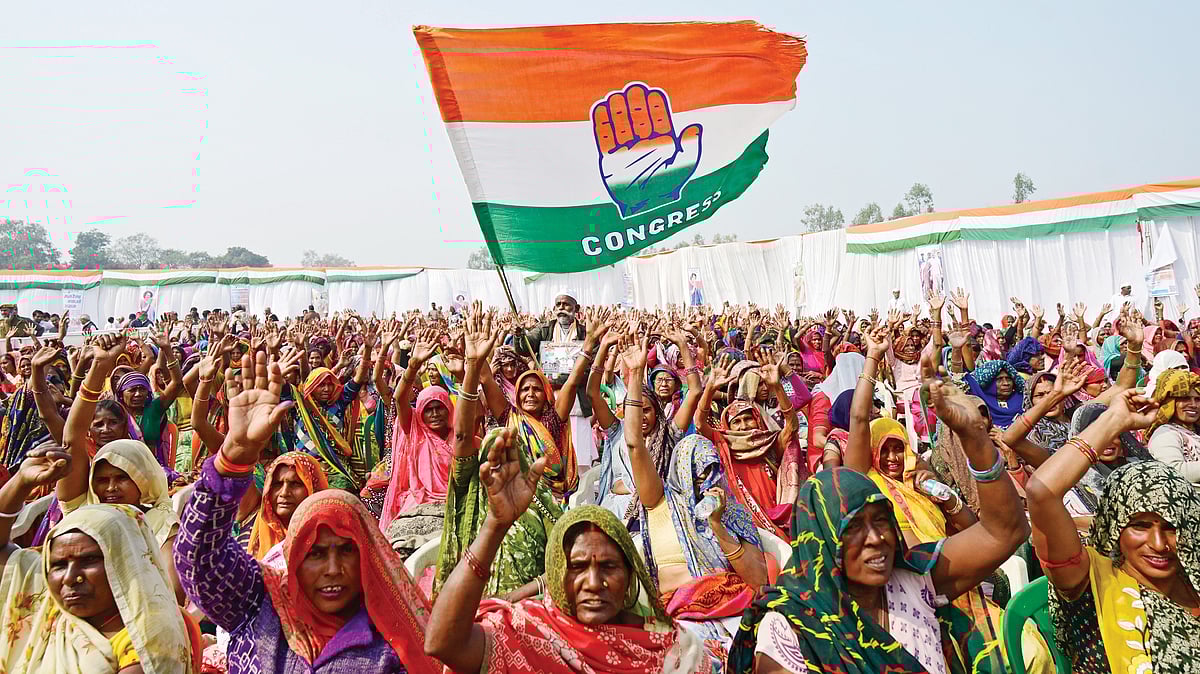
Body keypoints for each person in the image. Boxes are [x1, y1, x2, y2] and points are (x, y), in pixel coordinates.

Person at [726, 375, 1029, 674]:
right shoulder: (790, 627)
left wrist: (975, 439)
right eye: (853, 527)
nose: (876, 538)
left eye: (882, 520)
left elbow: (1006, 531)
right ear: (820, 541)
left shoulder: (914, 580)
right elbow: (859, 419)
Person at [175, 349, 439, 674]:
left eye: (346, 550)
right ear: (294, 556)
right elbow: (197, 559)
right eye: (315, 553)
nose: (333, 569)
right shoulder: (261, 604)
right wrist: (234, 456)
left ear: (369, 557)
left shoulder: (391, 642)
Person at [423, 426, 713, 674]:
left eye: (609, 566)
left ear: (630, 574)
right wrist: (495, 525)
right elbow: (442, 642)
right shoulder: (530, 632)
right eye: (577, 566)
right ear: (557, 573)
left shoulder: (674, 649)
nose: (593, 583)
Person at [1025, 388, 1200, 673]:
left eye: (1171, 527)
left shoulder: (1191, 572)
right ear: (1114, 525)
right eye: (1140, 526)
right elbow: (1042, 491)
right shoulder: (1093, 582)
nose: (1159, 544)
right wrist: (1115, 420)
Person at [0, 442, 198, 673]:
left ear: (125, 564)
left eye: (89, 561)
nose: (70, 577)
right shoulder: (49, 600)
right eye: (59, 565)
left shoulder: (148, 640)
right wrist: (21, 482)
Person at [625, 352, 768, 650]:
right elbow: (635, 443)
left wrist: (718, 526)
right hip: (680, 616)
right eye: (696, 473)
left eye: (711, 471)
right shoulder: (660, 501)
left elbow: (758, 580)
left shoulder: (733, 513)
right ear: (680, 471)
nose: (705, 482)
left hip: (733, 609)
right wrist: (636, 375)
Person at [435, 310, 561, 598]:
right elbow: (462, 435)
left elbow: (560, 560)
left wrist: (514, 599)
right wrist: (471, 369)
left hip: (532, 606)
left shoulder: (538, 500)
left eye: (506, 455)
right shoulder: (471, 487)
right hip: (475, 611)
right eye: (492, 457)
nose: (499, 465)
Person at [696, 350, 800, 539]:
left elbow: (792, 426)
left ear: (758, 420)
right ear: (728, 426)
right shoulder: (723, 442)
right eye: (736, 421)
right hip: (742, 524)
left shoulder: (769, 443)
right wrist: (710, 389)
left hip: (774, 518)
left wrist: (777, 387)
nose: (743, 426)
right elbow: (699, 423)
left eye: (748, 419)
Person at [379, 327, 456, 528]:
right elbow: (399, 399)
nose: (435, 413)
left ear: (449, 409)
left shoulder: (458, 435)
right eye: (428, 410)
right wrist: (412, 366)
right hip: (419, 501)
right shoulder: (415, 429)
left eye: (439, 408)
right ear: (420, 413)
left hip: (453, 501)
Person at [246, 451, 329, 561]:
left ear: (313, 488)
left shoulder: (329, 539)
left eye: (295, 484)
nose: (284, 493)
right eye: (277, 484)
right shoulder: (252, 534)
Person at [1145, 368, 1200, 486]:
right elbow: (1174, 471)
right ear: (1169, 402)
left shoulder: (1195, 431)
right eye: (1185, 398)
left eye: (1197, 399)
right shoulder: (1165, 433)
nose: (1193, 405)